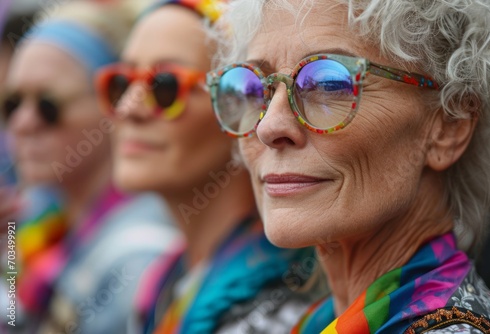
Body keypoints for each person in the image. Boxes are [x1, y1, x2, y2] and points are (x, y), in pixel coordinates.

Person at [208, 0, 490, 332]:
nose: (268, 127)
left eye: (329, 83)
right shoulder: (318, 320)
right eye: (256, 88)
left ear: (449, 126)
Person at [95, 0, 325, 332]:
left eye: (164, 86)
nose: (129, 107)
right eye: (122, 82)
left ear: (245, 113)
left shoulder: (278, 304)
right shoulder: (165, 280)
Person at [0, 1, 178, 333]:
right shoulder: (41, 222)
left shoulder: (138, 254)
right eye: (11, 104)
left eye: (47, 105)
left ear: (114, 105)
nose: (22, 124)